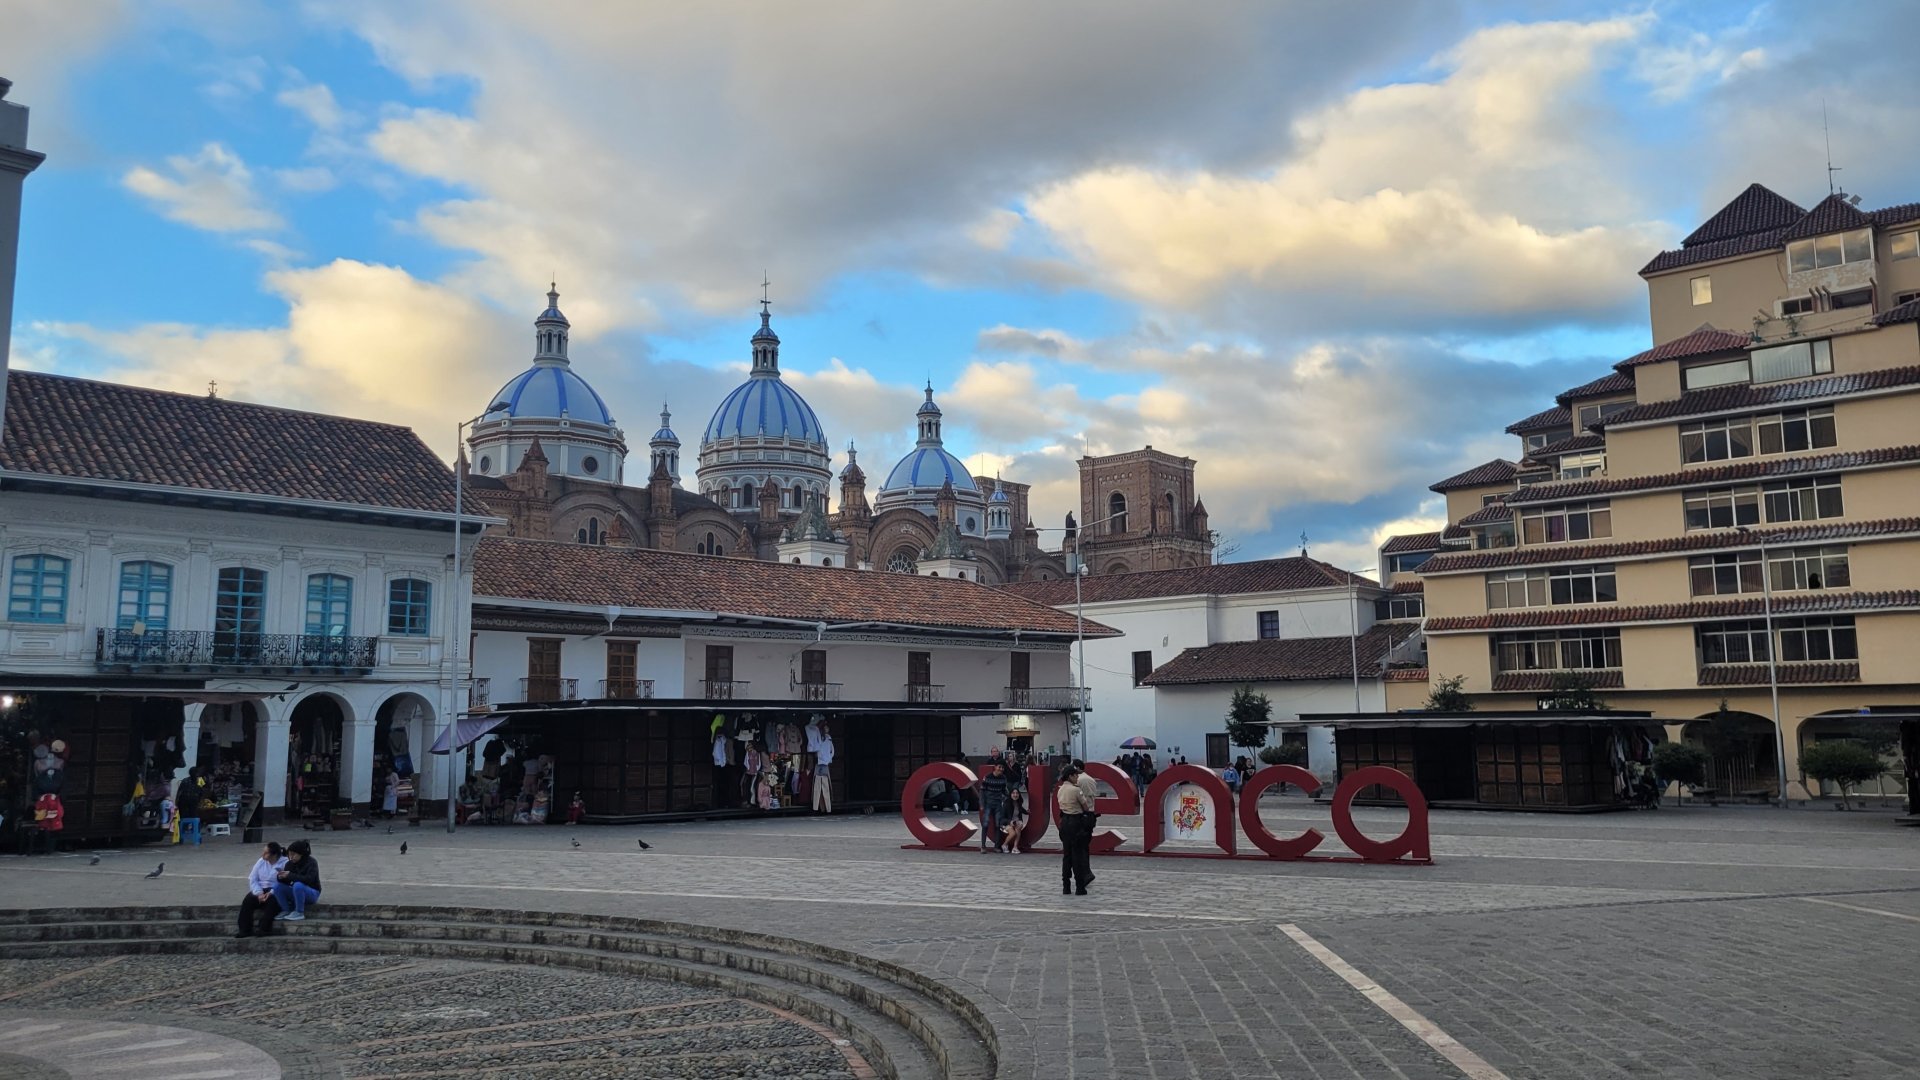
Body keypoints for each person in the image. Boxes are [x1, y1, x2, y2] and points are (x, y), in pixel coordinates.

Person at [1057, 764, 1095, 895]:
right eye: (1075, 775)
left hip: (1064, 823)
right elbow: (1085, 807)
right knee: (1077, 855)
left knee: (1066, 856)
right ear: (1070, 776)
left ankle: (1066, 886)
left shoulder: (1060, 789)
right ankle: (1080, 887)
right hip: (1076, 823)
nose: (1077, 777)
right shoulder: (1076, 790)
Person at [237, 841, 285, 938]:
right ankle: (245, 929)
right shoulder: (261, 861)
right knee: (248, 901)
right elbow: (253, 878)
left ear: (274, 855)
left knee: (273, 903)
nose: (263, 854)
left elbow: (283, 882)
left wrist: (271, 892)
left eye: (266, 853)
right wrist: (259, 892)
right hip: (260, 888)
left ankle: (264, 929)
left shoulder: (285, 863)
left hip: (274, 890)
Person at [272, 839, 322, 922]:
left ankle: (299, 912)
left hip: (312, 892)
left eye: (293, 854)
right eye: (289, 854)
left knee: (298, 885)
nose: (291, 857)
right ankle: (286, 910)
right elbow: (288, 882)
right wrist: (281, 877)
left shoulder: (312, 863)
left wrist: (290, 875)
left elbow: (309, 879)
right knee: (277, 886)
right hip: (296, 891)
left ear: (301, 854)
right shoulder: (289, 864)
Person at [978, 763, 1010, 852]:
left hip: (998, 804)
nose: (1001, 769)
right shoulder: (987, 777)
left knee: (998, 825)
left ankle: (996, 846)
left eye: (1002, 767)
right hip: (988, 804)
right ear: (995, 767)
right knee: (985, 824)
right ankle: (983, 846)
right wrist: (981, 804)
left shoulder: (1003, 778)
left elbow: (1004, 790)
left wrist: (1008, 797)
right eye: (1000, 767)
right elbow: (982, 791)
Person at [1000, 786, 1028, 854]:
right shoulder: (1006, 804)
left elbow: (1022, 810)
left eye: (1017, 793)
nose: (1015, 795)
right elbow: (1002, 818)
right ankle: (1004, 845)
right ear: (1010, 794)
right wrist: (1010, 822)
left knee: (1019, 826)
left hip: (1016, 822)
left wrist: (1027, 812)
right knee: (1013, 833)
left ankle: (1015, 847)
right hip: (1007, 823)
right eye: (1013, 793)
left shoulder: (1018, 803)